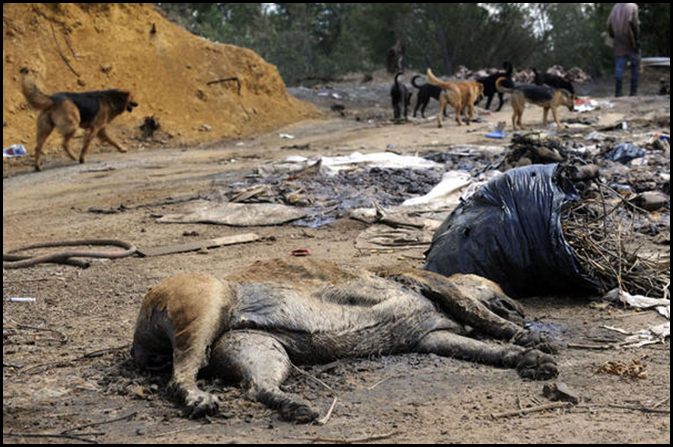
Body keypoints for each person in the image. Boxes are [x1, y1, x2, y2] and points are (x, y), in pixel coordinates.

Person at [606, 3, 641, 97]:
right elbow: (634, 24)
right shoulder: (633, 6)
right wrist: (637, 41)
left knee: (619, 67)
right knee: (635, 66)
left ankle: (618, 92)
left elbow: (608, 24)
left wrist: (614, 35)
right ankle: (633, 92)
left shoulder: (615, 7)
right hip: (630, 42)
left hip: (618, 42)